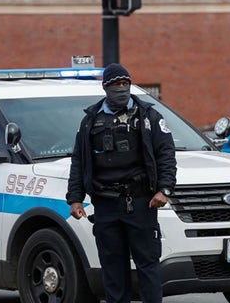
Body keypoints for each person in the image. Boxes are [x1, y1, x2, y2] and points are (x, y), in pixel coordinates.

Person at [66, 63, 177, 303]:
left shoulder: (148, 116)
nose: (121, 89)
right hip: (106, 204)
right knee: (112, 268)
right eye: (116, 85)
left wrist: (164, 189)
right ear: (106, 87)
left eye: (125, 84)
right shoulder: (90, 121)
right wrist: (75, 198)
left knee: (147, 266)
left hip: (141, 202)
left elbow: (166, 153)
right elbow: (79, 160)